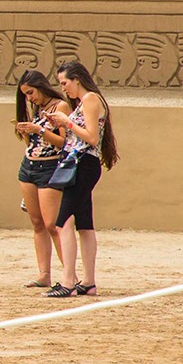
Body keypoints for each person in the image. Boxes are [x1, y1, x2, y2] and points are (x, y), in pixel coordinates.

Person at [43, 60, 119, 299]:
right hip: (82, 164)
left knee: (63, 221)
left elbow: (91, 137)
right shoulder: (86, 102)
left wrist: (67, 122)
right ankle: (88, 281)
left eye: (65, 83)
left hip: (82, 164)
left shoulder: (90, 100)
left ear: (77, 79)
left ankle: (68, 281)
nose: (63, 88)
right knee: (84, 224)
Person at [14, 69, 70, 289]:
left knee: (52, 224)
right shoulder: (36, 108)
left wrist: (39, 130)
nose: (30, 98)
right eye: (26, 95)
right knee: (36, 222)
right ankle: (44, 273)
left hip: (50, 167)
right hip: (29, 166)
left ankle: (69, 274)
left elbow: (64, 142)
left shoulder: (60, 106)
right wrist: (26, 132)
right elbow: (34, 145)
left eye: (31, 93)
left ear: (40, 86)